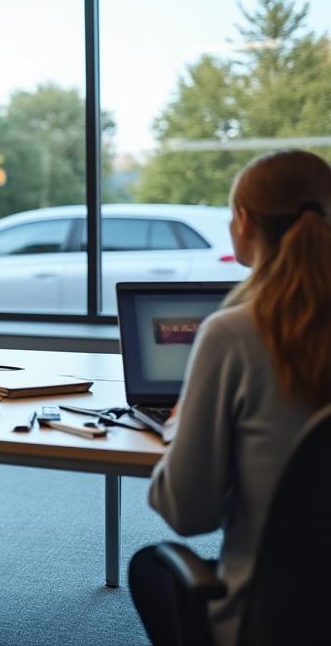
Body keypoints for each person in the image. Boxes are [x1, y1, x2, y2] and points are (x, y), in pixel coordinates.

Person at [131, 149, 331, 646]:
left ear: (243, 221)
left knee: (149, 567)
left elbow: (188, 512)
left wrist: (179, 427)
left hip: (271, 618)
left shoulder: (236, 333)